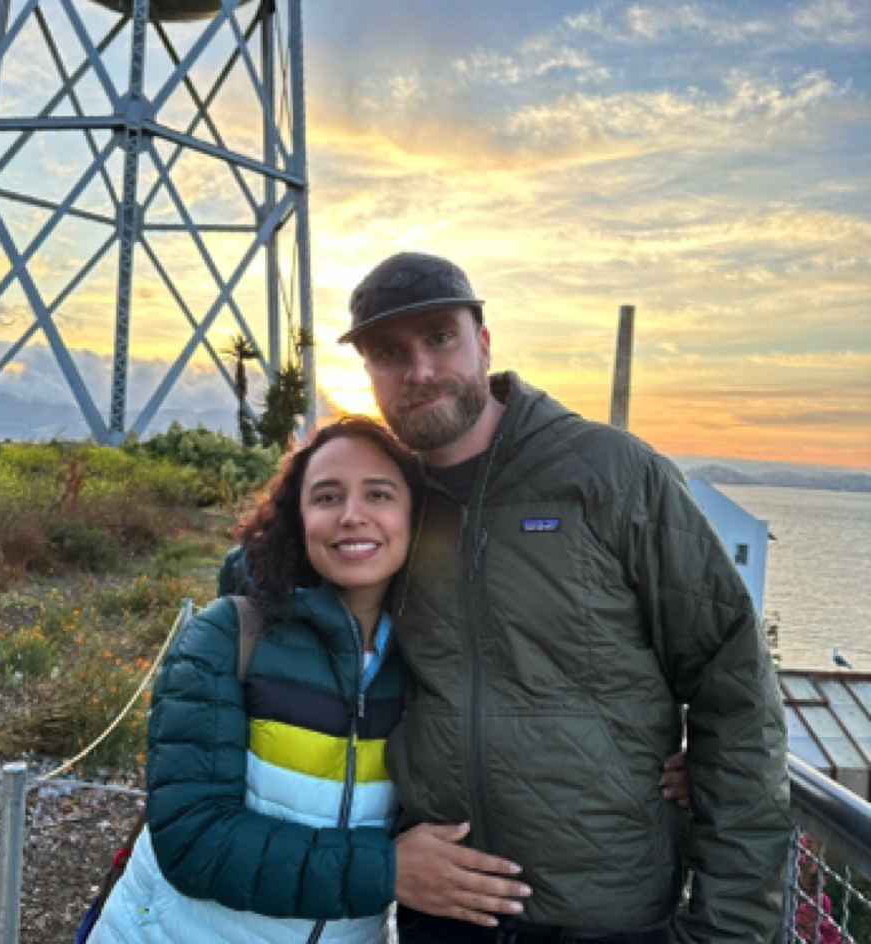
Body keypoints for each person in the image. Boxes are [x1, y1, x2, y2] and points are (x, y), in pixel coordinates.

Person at [333, 252, 792, 944]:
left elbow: (735, 684)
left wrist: (732, 929)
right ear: (368, 374)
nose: (419, 370)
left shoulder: (612, 472)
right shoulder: (382, 503)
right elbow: (271, 580)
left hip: (611, 921)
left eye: (440, 338)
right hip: (446, 917)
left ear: (483, 343)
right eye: (389, 353)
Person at [93, 416, 691, 944]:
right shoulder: (229, 636)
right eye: (326, 496)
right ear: (298, 518)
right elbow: (194, 839)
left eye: (378, 494)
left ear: (417, 515)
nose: (352, 515)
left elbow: (521, 729)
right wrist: (388, 871)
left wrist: (655, 763)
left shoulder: (433, 659)